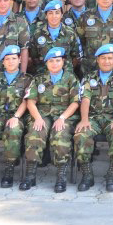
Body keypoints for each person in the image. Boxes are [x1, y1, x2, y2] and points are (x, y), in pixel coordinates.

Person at [19, 46, 80, 192]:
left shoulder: (71, 78)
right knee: (35, 132)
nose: (54, 64)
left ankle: (61, 175)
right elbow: (30, 101)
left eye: (58, 61)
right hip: (42, 114)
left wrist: (62, 118)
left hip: (65, 115)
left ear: (63, 62)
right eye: (51, 61)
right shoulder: (39, 79)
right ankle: (30, 174)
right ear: (46, 63)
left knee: (61, 134)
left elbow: (75, 102)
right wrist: (38, 118)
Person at [74, 44, 113, 192]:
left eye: (110, 58)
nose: (106, 61)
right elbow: (85, 99)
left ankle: (111, 175)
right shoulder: (88, 77)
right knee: (81, 134)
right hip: (93, 117)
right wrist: (84, 119)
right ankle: (87, 175)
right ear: (97, 60)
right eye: (103, 58)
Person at [0, 45, 32, 188]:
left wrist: (16, 117)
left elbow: (26, 101)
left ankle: (9, 171)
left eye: (14, 58)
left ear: (20, 60)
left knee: (13, 131)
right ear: (2, 62)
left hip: (17, 116)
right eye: (7, 59)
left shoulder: (27, 79)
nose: (10, 62)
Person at [29, 0, 79, 75]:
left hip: (65, 76)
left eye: (57, 13)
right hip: (44, 76)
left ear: (62, 15)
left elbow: (75, 57)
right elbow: (34, 56)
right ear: (46, 15)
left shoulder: (70, 33)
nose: (54, 16)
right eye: (50, 13)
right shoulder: (38, 34)